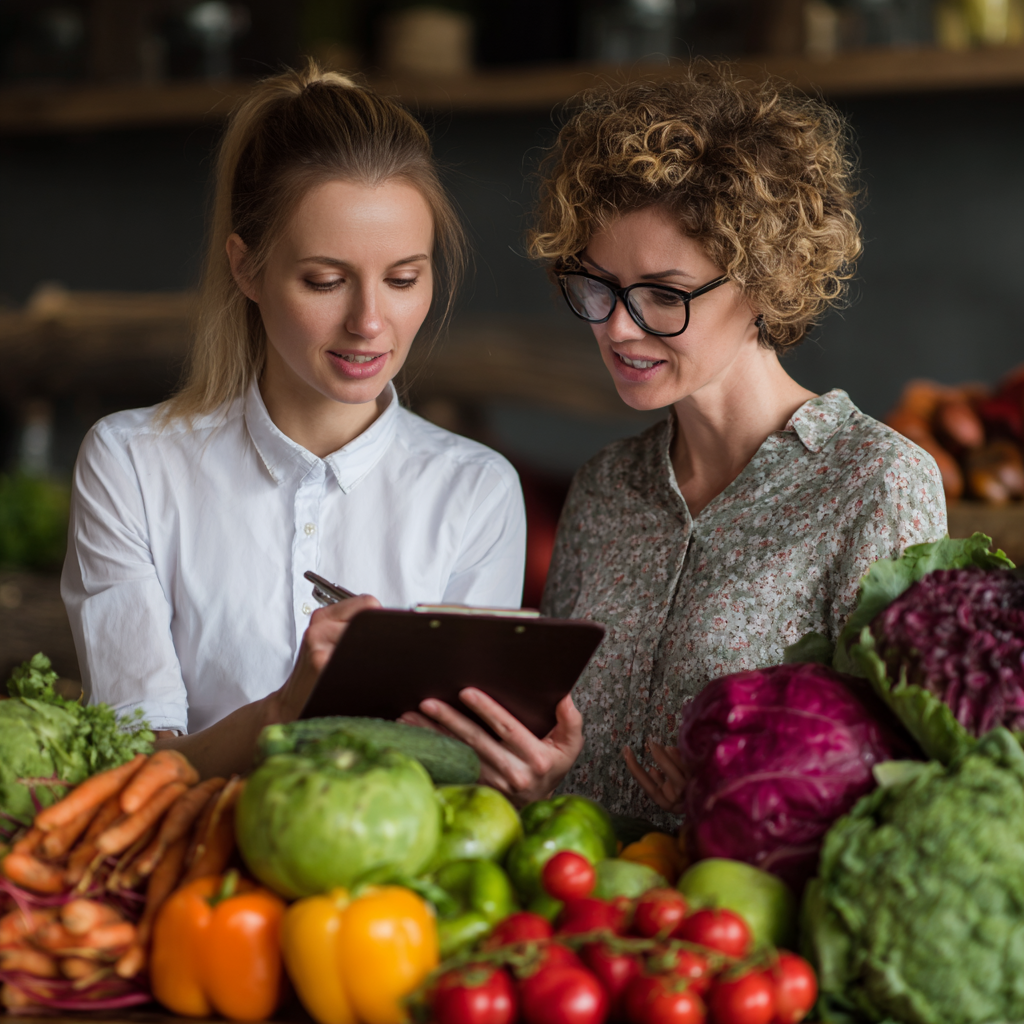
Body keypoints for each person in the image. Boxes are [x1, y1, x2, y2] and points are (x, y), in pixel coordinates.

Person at [403, 64, 946, 820]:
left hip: (744, 926)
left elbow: (901, 792)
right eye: (598, 286)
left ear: (765, 280)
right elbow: (556, 747)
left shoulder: (876, 482)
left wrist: (743, 805)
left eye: (663, 293)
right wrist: (534, 781)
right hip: (581, 916)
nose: (618, 327)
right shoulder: (604, 489)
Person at [61, 63, 526, 779]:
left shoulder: (476, 491)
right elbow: (135, 774)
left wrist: (517, 771)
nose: (371, 322)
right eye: (325, 281)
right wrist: (287, 709)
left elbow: (459, 772)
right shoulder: (131, 464)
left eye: (404, 279)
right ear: (247, 269)